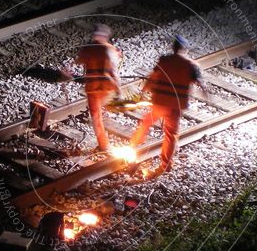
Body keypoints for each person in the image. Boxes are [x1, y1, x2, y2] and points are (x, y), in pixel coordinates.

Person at [130, 35, 206, 175]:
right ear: (186, 49)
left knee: (146, 122)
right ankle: (165, 165)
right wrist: (205, 94)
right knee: (171, 135)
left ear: (173, 47)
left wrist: (143, 92)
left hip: (158, 102)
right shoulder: (192, 66)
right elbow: (201, 85)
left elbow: (153, 77)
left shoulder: (164, 61)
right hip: (174, 107)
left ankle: (133, 146)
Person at [75, 24, 122, 152]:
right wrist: (118, 89)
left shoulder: (88, 48)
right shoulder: (109, 49)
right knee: (106, 107)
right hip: (106, 87)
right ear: (106, 36)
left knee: (96, 117)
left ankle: (104, 145)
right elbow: (113, 71)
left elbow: (78, 61)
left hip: (92, 87)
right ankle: (107, 110)